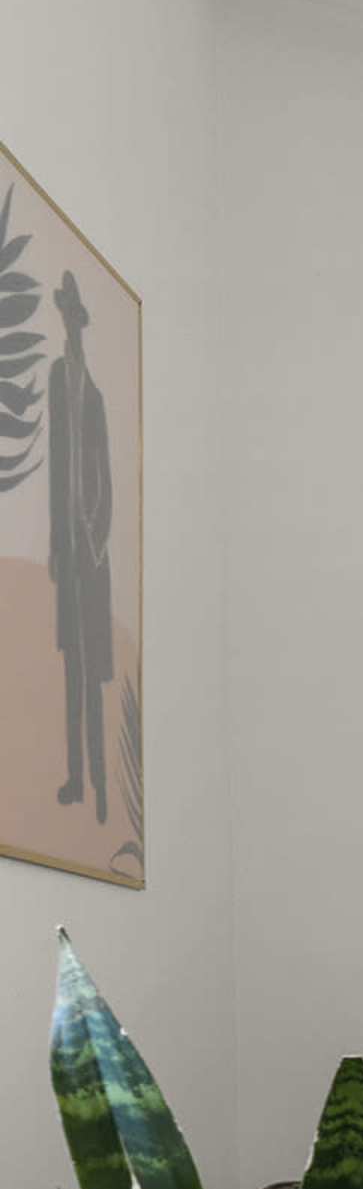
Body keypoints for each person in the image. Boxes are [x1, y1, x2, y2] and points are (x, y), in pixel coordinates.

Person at [48, 271, 114, 822]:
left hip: (92, 553)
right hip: (69, 549)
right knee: (73, 663)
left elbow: (106, 480)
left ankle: (99, 776)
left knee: (94, 673)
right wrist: (57, 540)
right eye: (65, 314)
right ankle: (76, 776)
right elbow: (55, 472)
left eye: (76, 315)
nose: (71, 324)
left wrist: (95, 536)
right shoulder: (55, 379)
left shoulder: (94, 397)